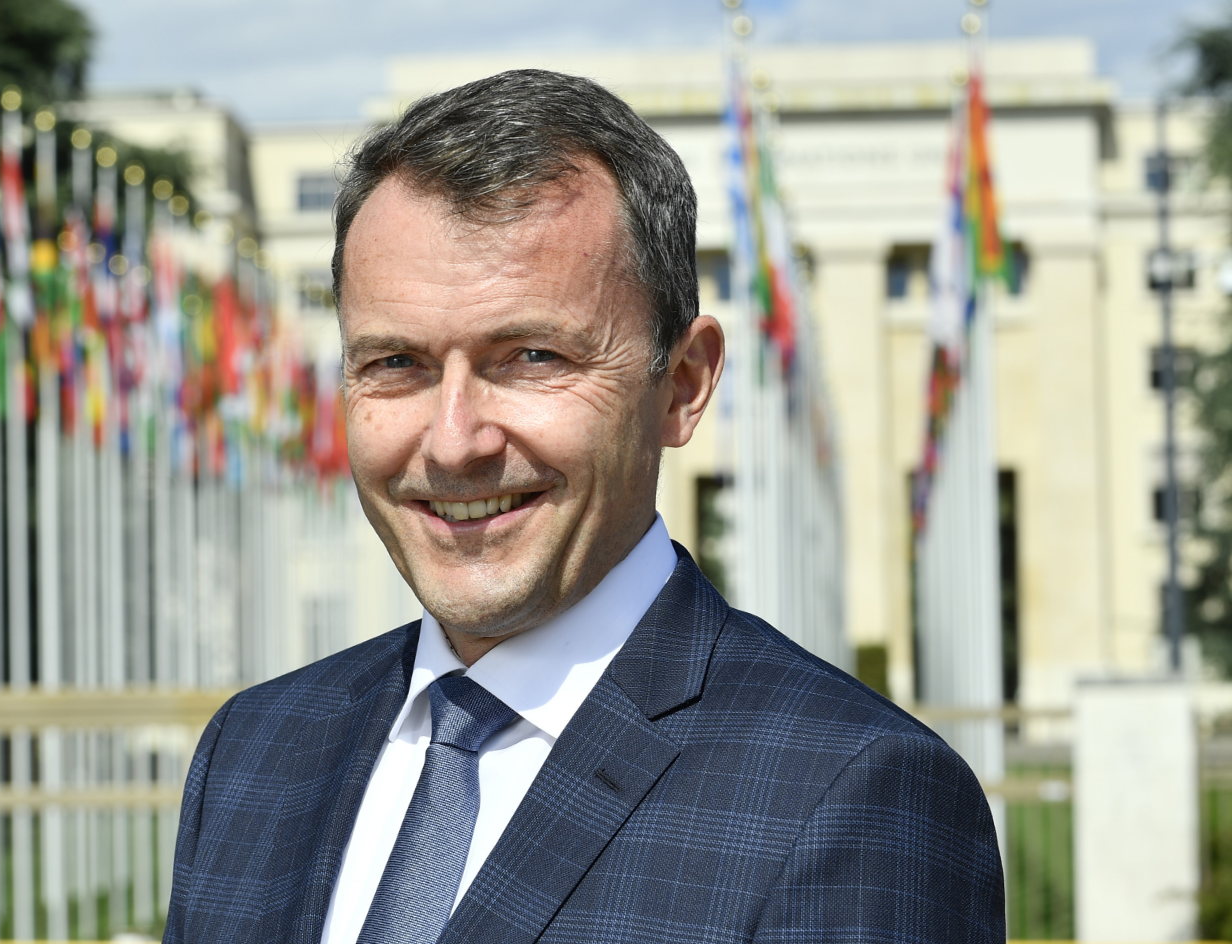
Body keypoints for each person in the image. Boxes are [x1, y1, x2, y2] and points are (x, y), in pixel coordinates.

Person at [162, 69, 1003, 944]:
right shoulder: (253, 753)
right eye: (395, 364)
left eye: (529, 356)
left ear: (681, 385)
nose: (453, 442)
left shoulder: (854, 794)